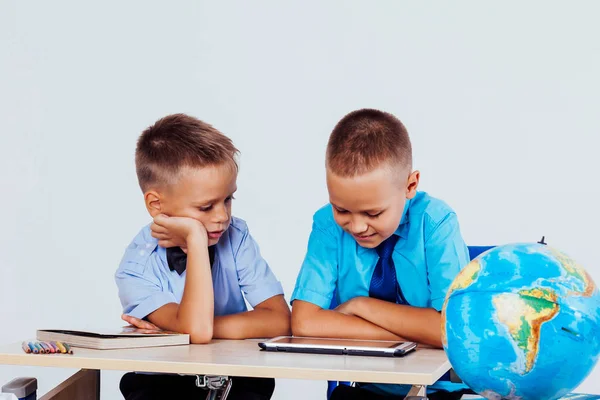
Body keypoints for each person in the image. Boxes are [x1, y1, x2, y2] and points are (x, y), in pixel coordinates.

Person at [291, 109, 471, 399]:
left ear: (410, 185)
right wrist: (415, 335)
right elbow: (304, 323)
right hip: (366, 387)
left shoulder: (436, 222)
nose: (357, 226)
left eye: (373, 212)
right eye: (342, 209)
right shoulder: (326, 225)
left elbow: (448, 331)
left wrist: (362, 306)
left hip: (438, 389)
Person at [115, 113, 290, 400]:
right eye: (206, 207)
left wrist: (190, 331)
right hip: (162, 383)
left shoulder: (236, 236)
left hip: (235, 380)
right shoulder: (136, 268)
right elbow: (197, 329)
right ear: (156, 205)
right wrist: (196, 241)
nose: (222, 216)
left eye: (228, 199)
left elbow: (281, 320)